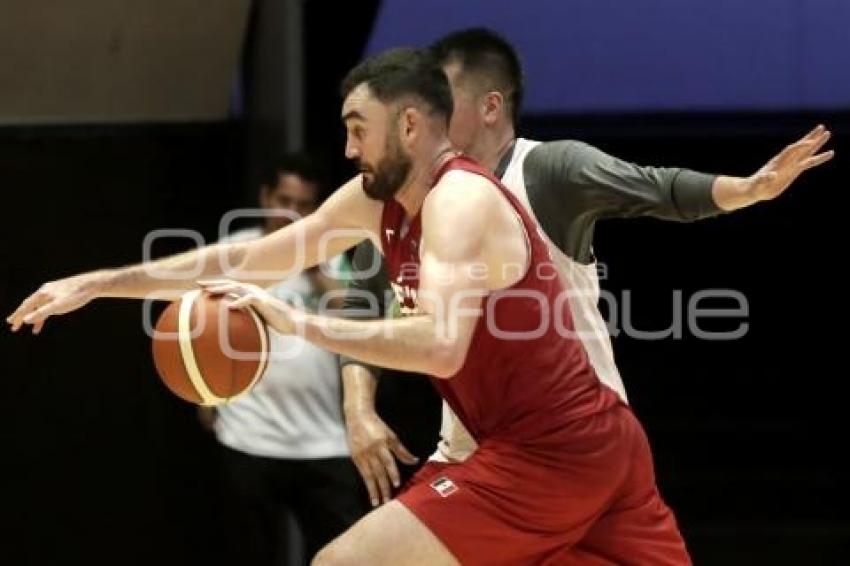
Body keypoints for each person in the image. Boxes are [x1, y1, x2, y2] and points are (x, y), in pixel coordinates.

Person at [7, 48, 833, 564]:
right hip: (571, 446)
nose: (346, 148)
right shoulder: (381, 200)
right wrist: (101, 283)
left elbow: (438, 347)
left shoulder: (461, 203)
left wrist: (295, 321)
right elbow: (252, 257)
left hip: (552, 451)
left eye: (356, 128)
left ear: (409, 124)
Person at [340, 28, 836, 507]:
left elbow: (657, 187)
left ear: (490, 107)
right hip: (479, 447)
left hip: (572, 439)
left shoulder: (548, 171)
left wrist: (749, 188)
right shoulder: (413, 194)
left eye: (442, 101)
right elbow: (368, 296)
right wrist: (358, 407)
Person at [200, 153, 367, 564]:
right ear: (265, 196)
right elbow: (195, 328)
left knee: (346, 555)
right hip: (248, 435)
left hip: (324, 439)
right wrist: (202, 397)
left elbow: (365, 322)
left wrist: (312, 264)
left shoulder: (338, 256)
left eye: (303, 205)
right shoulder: (232, 252)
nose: (291, 213)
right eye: (284, 200)